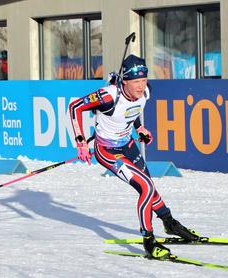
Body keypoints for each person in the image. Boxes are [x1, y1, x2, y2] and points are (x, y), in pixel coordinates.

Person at [68, 54, 199, 259]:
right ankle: (149, 242)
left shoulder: (146, 91)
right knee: (145, 187)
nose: (141, 86)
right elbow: (74, 107)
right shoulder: (108, 96)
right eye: (136, 81)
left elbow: (132, 109)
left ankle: (169, 223)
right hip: (107, 152)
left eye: (144, 80)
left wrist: (140, 128)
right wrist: (81, 141)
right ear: (125, 80)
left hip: (128, 145)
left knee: (149, 187)